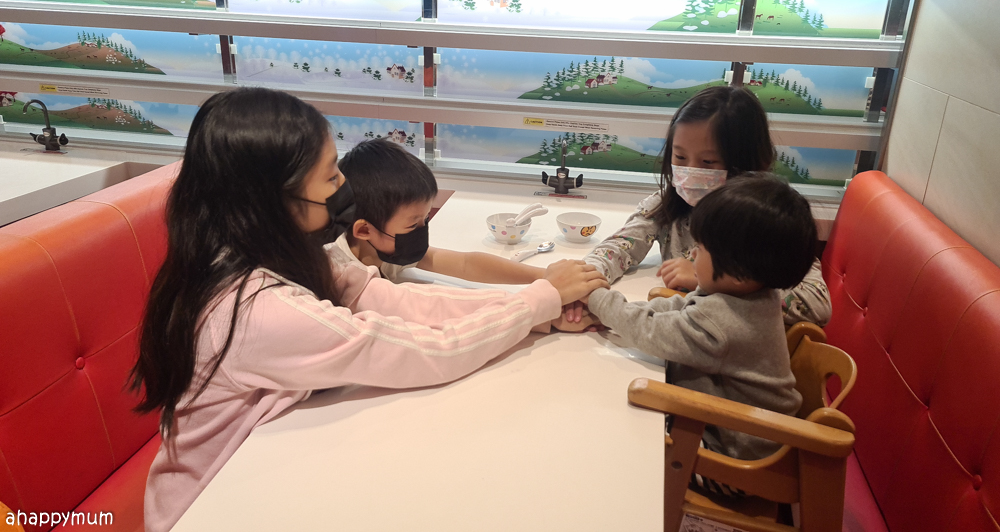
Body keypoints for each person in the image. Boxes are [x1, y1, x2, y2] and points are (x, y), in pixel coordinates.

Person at [130, 88, 608, 531]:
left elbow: (401, 301)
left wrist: (537, 311)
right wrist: (538, 300)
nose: (344, 185)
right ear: (275, 198)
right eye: (331, 175)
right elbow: (426, 351)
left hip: (267, 476)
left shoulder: (277, 253)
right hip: (209, 508)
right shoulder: (258, 310)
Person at [581, 173, 813, 494]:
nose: (691, 256)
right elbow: (680, 309)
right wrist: (610, 314)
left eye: (700, 249)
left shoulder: (726, 322)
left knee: (623, 447)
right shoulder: (754, 295)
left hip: (735, 463)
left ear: (738, 272)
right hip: (745, 438)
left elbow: (651, 332)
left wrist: (596, 298)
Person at [580, 86, 831, 328]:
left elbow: (817, 303)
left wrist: (711, 280)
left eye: (708, 162)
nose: (690, 171)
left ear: (747, 165)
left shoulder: (766, 220)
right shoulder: (665, 205)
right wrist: (583, 286)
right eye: (680, 157)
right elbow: (617, 249)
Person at [334, 138, 545, 284]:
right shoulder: (341, 275)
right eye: (412, 225)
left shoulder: (386, 248)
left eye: (426, 218)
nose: (421, 230)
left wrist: (544, 276)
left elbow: (465, 264)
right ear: (364, 230)